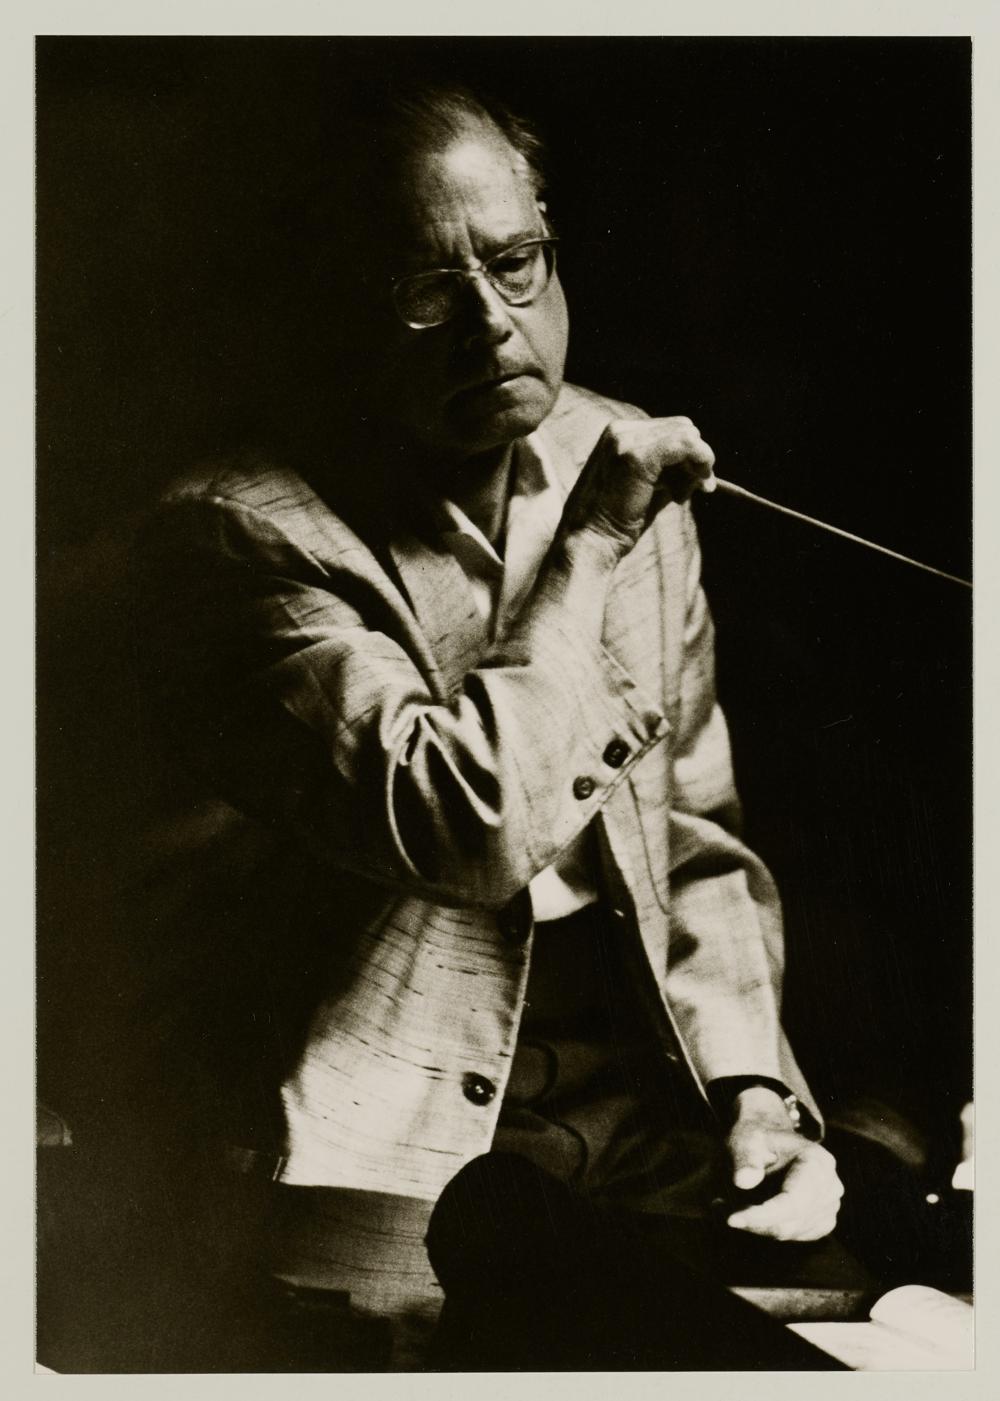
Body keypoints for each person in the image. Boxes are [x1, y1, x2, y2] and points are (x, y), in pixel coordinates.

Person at [129, 80, 846, 1369]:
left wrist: (753, 1090)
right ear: (329, 303)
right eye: (424, 288)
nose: (490, 323)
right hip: (372, 1131)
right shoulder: (236, 536)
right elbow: (467, 827)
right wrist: (592, 543)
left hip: (635, 1097)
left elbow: (692, 831)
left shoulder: (611, 448)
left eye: (515, 263)